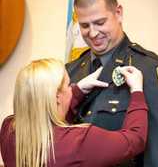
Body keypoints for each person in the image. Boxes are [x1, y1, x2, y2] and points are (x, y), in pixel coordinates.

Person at [65, 0, 158, 167]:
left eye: (100, 22)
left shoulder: (150, 70)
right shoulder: (70, 73)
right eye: (85, 25)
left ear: (118, 13)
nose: (93, 33)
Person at [0, 58, 148, 167]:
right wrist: (137, 91)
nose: (71, 87)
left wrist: (78, 90)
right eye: (68, 85)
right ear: (57, 97)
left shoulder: (8, 128)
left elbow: (47, 119)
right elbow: (135, 139)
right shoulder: (79, 141)